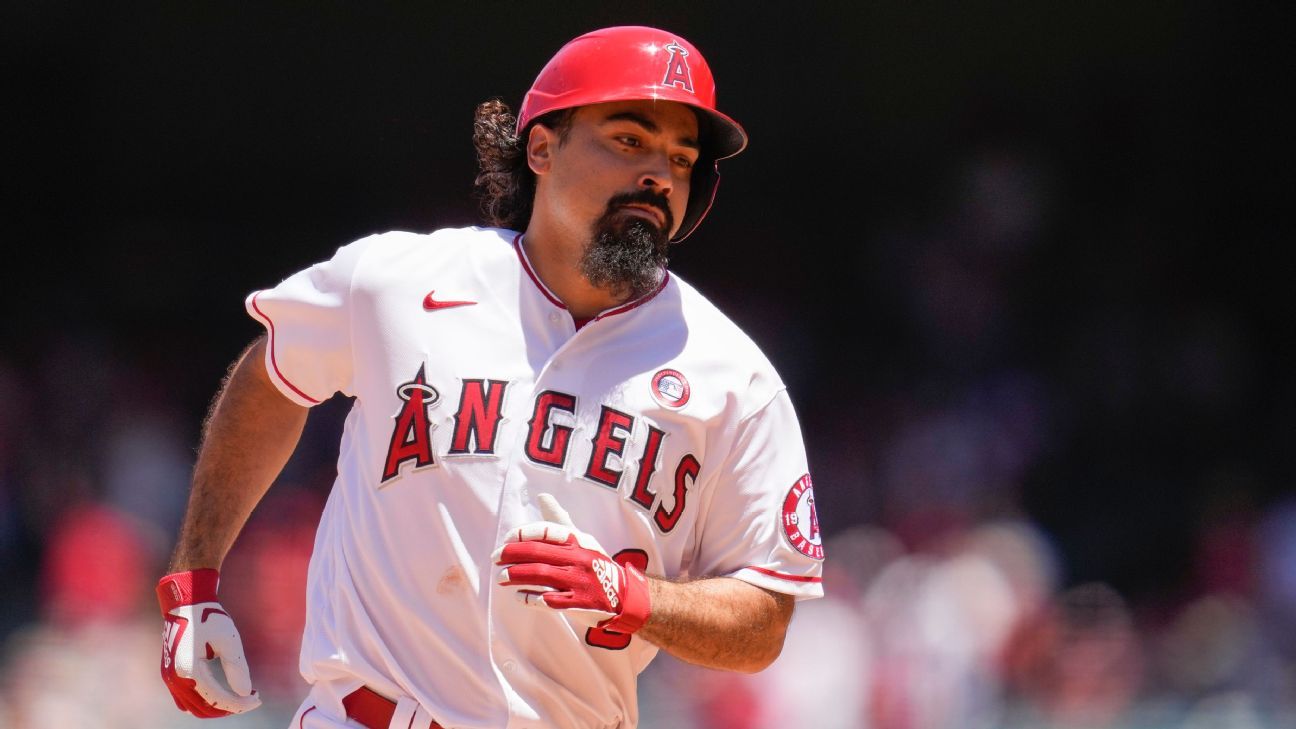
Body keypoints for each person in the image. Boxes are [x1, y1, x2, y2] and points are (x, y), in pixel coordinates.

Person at [156, 25, 825, 729]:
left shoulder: (734, 376)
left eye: (681, 158)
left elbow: (762, 619)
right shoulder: (396, 282)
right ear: (540, 146)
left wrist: (634, 595)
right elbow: (272, 375)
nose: (659, 173)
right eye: (630, 140)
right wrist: (194, 579)